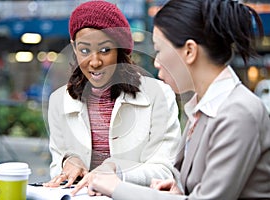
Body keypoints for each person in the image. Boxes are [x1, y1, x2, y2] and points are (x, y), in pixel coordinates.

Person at [86, 0, 270, 199]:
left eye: (158, 50)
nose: (156, 62)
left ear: (190, 51)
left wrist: (116, 187)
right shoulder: (204, 109)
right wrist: (179, 189)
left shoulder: (238, 113)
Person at [43, 0, 182, 194]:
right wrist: (68, 162)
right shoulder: (60, 101)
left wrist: (117, 171)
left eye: (105, 50)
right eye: (84, 50)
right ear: (74, 48)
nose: (95, 61)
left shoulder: (159, 94)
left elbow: (167, 170)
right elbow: (56, 169)